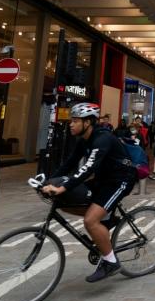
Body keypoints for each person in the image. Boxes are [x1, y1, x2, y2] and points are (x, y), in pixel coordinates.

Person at [40, 103, 136, 283]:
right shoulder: (83, 140)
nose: (71, 124)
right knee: (67, 204)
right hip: (102, 180)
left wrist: (62, 187)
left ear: (88, 122)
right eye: (71, 121)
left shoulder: (102, 139)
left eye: (75, 121)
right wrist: (49, 182)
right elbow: (69, 164)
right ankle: (107, 220)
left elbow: (87, 167)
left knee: (90, 220)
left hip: (121, 180)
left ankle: (110, 262)